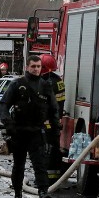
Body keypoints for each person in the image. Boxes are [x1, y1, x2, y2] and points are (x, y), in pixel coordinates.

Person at [0, 55, 59, 198]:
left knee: (40, 165)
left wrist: (55, 131)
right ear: (27, 67)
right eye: (33, 66)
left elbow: (53, 110)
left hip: (37, 132)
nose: (36, 69)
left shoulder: (45, 86)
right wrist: (8, 124)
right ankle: (18, 195)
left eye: (38, 67)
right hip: (19, 131)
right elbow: (3, 104)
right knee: (19, 165)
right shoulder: (17, 84)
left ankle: (43, 195)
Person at [40, 54, 66, 185]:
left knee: (44, 150)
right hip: (54, 123)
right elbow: (60, 105)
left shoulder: (43, 82)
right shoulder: (58, 81)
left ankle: (46, 179)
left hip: (45, 123)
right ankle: (54, 177)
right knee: (54, 149)